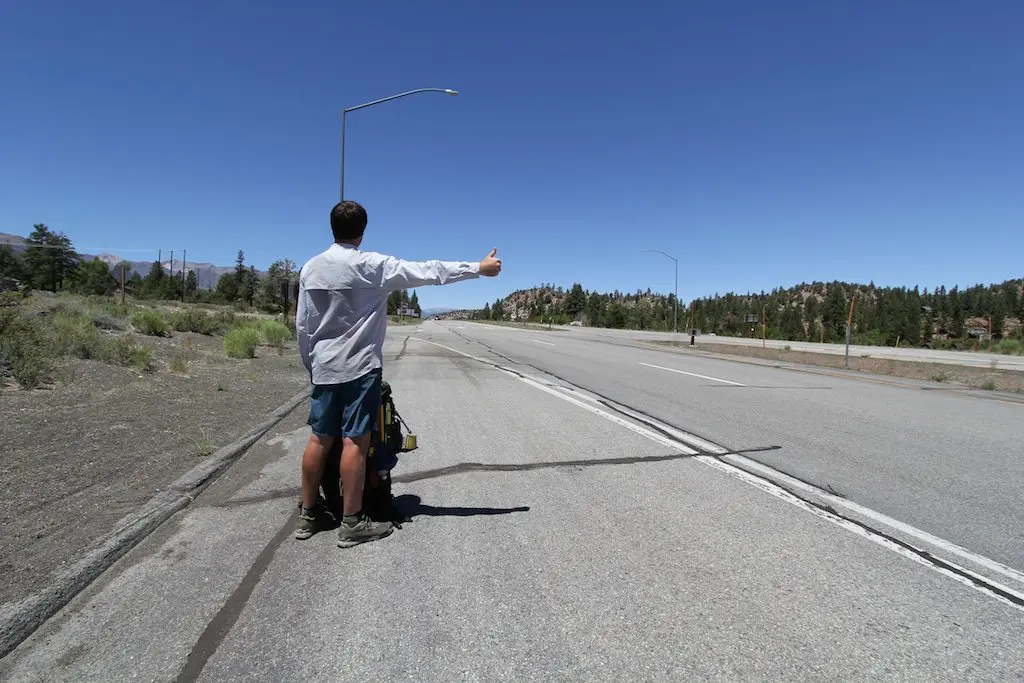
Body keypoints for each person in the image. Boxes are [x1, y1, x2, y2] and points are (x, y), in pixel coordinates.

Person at [294, 200, 502, 547]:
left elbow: (302, 325)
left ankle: (309, 514)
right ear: (361, 233)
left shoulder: (310, 269)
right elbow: (429, 271)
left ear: (332, 229)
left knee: (318, 439)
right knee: (355, 443)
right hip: (359, 369)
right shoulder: (374, 266)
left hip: (324, 367)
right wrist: (477, 268)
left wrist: (310, 363)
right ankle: (351, 521)